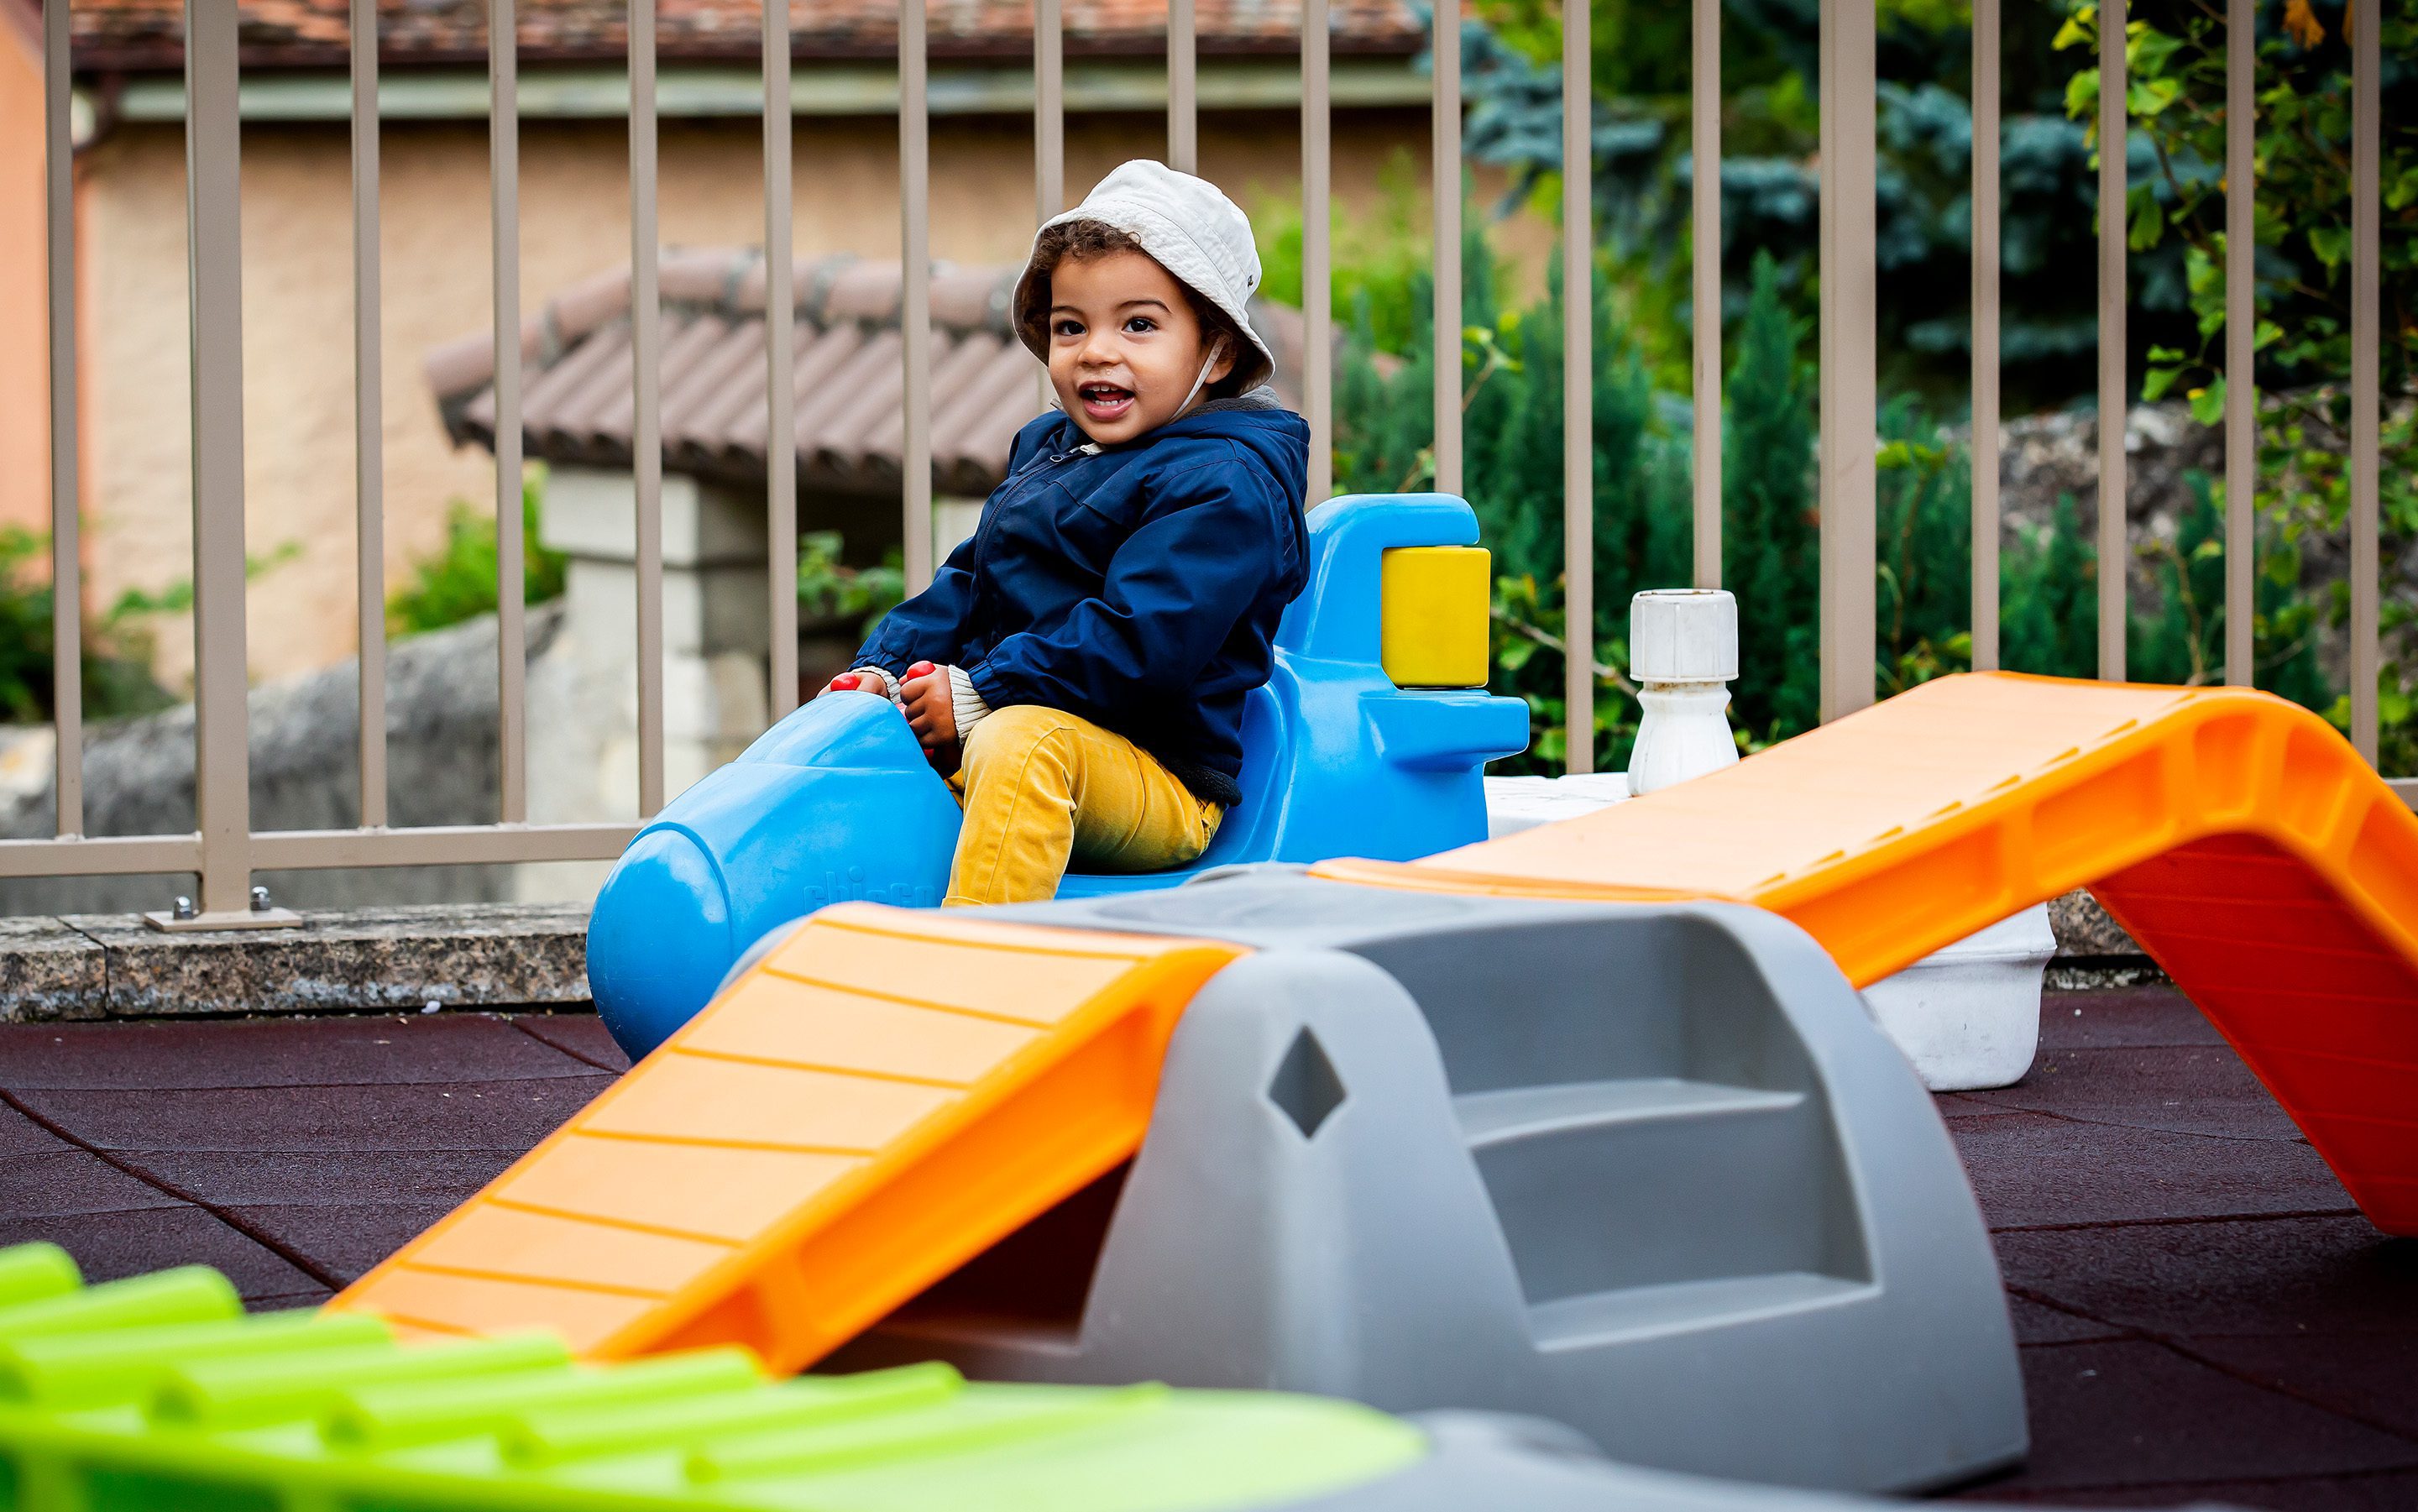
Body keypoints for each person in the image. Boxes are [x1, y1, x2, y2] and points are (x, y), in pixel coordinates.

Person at [823, 160, 1311, 906]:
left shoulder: (1225, 482)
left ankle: (971, 970)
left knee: (1024, 743)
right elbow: (970, 581)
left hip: (1156, 775)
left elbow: (1141, 641)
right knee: (872, 735)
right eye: (1070, 327)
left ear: (1218, 351)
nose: (1096, 351)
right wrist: (887, 669)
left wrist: (984, 689)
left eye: (1139, 324)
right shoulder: (1054, 451)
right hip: (1021, 720)